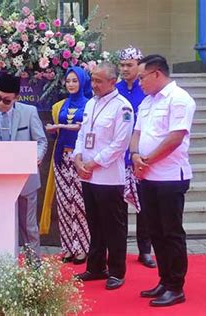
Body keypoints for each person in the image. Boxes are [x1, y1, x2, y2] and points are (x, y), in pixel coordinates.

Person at [131, 54, 195, 307]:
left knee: (171, 232)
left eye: (141, 78)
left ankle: (176, 286)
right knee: (155, 231)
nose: (139, 83)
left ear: (157, 73)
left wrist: (147, 159)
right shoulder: (147, 102)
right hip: (147, 175)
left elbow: (175, 137)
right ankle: (164, 279)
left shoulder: (179, 99)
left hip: (169, 176)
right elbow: (136, 132)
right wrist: (135, 155)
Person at [0, 73, 47, 258]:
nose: (0, 104)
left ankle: (34, 271)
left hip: (25, 180)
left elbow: (41, 141)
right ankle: (1, 268)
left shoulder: (29, 112)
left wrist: (34, 159)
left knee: (29, 227)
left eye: (6, 100)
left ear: (16, 98)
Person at [73, 62, 134, 290]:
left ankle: (117, 270)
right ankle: (96, 266)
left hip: (108, 176)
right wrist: (78, 158)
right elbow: (82, 133)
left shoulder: (122, 107)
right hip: (87, 175)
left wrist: (94, 162)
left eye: (99, 81)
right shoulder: (91, 103)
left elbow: (120, 144)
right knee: (94, 223)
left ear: (112, 81)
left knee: (113, 226)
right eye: (93, 80)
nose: (94, 85)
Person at [42, 66, 92, 264]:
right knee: (63, 205)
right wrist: (54, 131)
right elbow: (58, 129)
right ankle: (68, 248)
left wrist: (60, 126)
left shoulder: (90, 105)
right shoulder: (60, 105)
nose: (71, 84)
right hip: (61, 158)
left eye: (75, 81)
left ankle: (83, 247)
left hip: (80, 159)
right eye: (68, 81)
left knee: (79, 205)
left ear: (82, 82)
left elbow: (83, 127)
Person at [117, 46, 156, 268]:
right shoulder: (115, 89)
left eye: (128, 65)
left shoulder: (147, 90)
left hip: (141, 157)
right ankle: (119, 248)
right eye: (121, 65)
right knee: (118, 207)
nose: (124, 69)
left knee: (144, 205)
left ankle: (145, 250)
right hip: (118, 158)